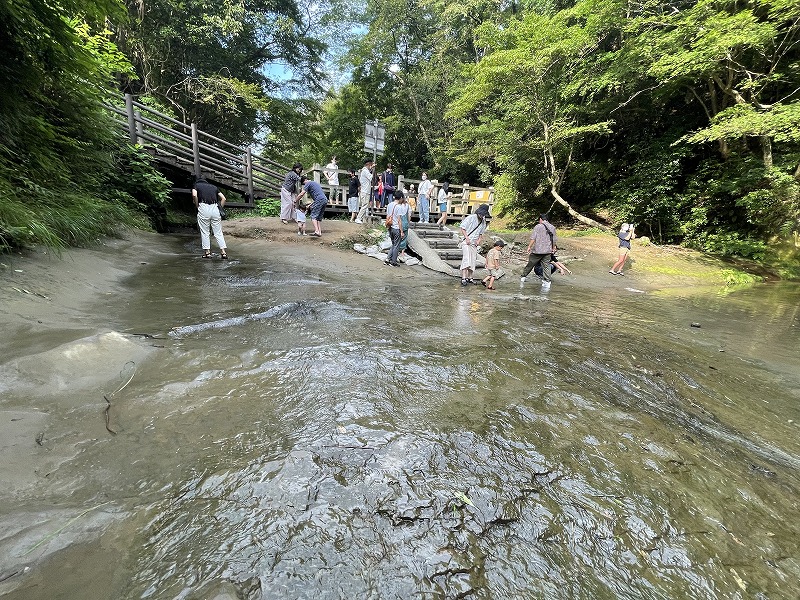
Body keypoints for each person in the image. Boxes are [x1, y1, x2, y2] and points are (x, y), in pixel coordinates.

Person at [192, 177, 228, 259]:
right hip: (215, 209)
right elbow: (223, 198)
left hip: (203, 208)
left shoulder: (196, 185)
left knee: (205, 231)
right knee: (218, 232)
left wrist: (197, 205)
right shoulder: (214, 187)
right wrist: (220, 209)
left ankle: (207, 253)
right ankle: (223, 252)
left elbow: (194, 195)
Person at [521, 213, 557, 289]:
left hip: (537, 251)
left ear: (540, 219)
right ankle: (547, 282)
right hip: (547, 251)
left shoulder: (538, 226)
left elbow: (533, 238)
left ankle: (523, 277)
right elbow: (554, 240)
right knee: (546, 266)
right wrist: (553, 248)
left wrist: (529, 247)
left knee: (530, 264)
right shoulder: (552, 227)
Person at [459, 203, 490, 286]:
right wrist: (467, 238)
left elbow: (481, 233)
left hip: (474, 243)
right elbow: (462, 228)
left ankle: (470, 277)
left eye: (483, 214)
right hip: (467, 242)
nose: (482, 215)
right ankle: (463, 278)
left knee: (472, 260)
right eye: (481, 214)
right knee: (466, 259)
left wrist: (479, 240)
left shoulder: (483, 221)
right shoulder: (471, 218)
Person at [384, 189, 410, 266]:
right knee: (396, 245)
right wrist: (402, 232)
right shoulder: (399, 207)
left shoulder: (389, 205)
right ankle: (393, 262)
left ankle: (388, 259)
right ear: (401, 198)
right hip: (396, 228)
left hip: (390, 227)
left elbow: (387, 216)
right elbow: (399, 220)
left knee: (393, 244)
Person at [355, 159, 374, 223]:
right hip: (365, 191)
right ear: (368, 164)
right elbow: (371, 177)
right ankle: (358, 218)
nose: (371, 166)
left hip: (365, 190)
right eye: (370, 165)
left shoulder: (364, 171)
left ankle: (360, 218)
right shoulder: (365, 171)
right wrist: (373, 170)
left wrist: (371, 169)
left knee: (365, 205)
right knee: (365, 205)